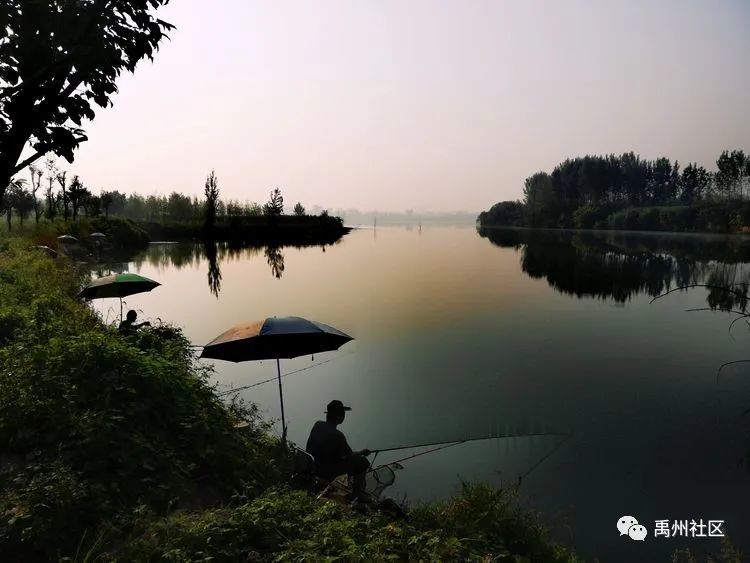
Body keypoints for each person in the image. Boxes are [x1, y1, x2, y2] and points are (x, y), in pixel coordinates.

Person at [306, 400, 371, 500]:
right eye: (343, 414)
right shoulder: (337, 435)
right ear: (340, 417)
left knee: (348, 461)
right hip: (324, 472)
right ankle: (357, 495)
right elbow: (349, 455)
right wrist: (362, 452)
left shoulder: (318, 425)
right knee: (362, 462)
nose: (344, 416)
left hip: (312, 467)